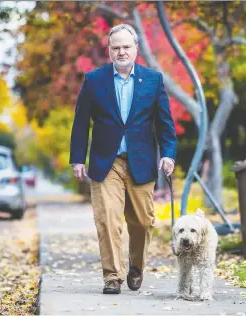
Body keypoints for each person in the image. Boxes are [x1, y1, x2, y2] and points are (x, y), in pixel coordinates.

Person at [69, 24, 177, 295]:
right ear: (109, 50)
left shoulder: (153, 80)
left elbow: (165, 123)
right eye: (115, 47)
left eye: (126, 47)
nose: (121, 52)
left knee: (143, 221)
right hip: (107, 161)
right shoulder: (94, 80)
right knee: (107, 219)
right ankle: (112, 276)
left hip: (140, 161)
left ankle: (136, 265)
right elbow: (81, 122)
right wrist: (77, 158)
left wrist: (168, 154)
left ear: (136, 49)